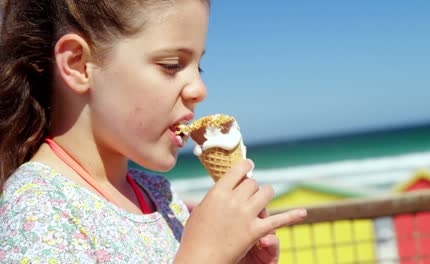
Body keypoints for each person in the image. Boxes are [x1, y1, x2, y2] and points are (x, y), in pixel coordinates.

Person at [0, 0, 307, 263]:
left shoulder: (160, 195)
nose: (199, 89)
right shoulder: (36, 209)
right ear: (79, 64)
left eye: (198, 67)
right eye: (171, 64)